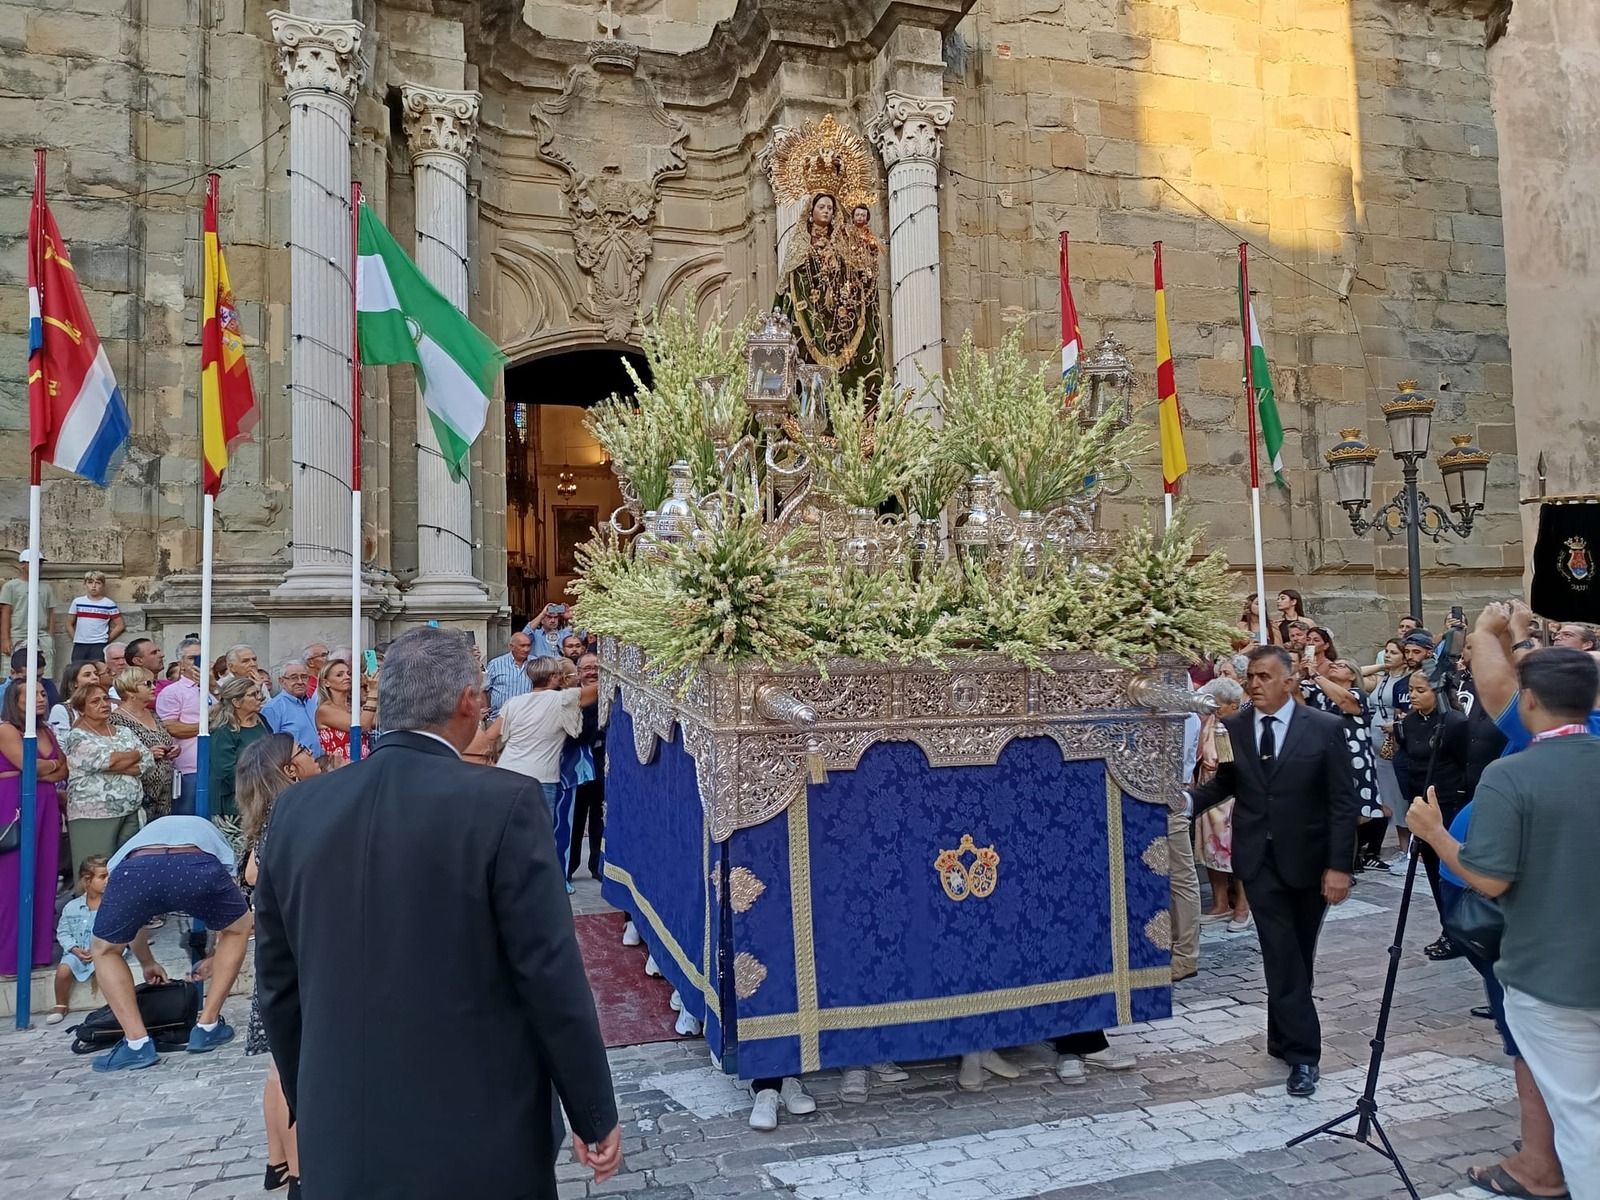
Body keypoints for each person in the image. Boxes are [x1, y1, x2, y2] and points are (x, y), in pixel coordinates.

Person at [253, 626, 622, 1197]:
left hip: (342, 1127)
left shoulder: (298, 810)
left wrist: (315, 1103)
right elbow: (548, 973)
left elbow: (278, 985)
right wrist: (593, 1112)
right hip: (478, 1128)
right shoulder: (504, 802)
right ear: (469, 702)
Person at [1408, 647, 1600, 1200]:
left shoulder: (1511, 775)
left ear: (1531, 700)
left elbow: (1488, 878)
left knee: (1581, 1119)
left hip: (1549, 975)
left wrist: (1434, 832)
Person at [1186, 645, 1358, 1097]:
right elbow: (1229, 780)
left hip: (1310, 861)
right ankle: (1304, 1055)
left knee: (1299, 953)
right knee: (1281, 953)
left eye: (1264, 677)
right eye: (1251, 678)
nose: (1255, 685)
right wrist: (1185, 804)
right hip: (1257, 864)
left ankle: (1281, 1035)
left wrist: (1340, 866)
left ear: (1289, 680)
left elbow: (1343, 803)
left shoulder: (1324, 728)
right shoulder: (1237, 727)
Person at [86, 813, 252, 1070]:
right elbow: (226, 920)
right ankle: (207, 1026)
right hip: (195, 863)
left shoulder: (134, 844)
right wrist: (215, 956)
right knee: (239, 928)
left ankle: (136, 1044)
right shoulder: (211, 835)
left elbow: (133, 923)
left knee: (105, 949)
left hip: (135, 870)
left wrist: (147, 962)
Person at [236, 734, 316, 1196]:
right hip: (294, 961)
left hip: (276, 960)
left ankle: (279, 1159)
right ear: (287, 770)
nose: (309, 757)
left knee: (277, 1066)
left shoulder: (265, 825)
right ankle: (301, 1168)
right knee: (295, 1068)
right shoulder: (287, 827)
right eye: (301, 752)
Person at [1397, 670, 1472, 961]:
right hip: (1421, 804)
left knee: (1450, 870)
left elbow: (1463, 762)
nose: (1413, 695)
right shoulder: (1410, 723)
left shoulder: (1454, 723)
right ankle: (1447, 928)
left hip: (1448, 804)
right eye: (1411, 690)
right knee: (1431, 869)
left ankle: (1459, 931)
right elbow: (1408, 761)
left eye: (1420, 690)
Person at [0, 680, 68, 974]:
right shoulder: (6, 729)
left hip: (47, 805)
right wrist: (47, 768)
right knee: (13, 880)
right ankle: (9, 957)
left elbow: (63, 768)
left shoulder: (47, 731)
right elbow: (27, 764)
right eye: (32, 695)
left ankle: (37, 951)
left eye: (42, 693)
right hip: (14, 803)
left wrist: (47, 769)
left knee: (44, 874)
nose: (41, 698)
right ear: (15, 701)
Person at [1299, 656, 1385, 859]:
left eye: (1342, 665)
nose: (1335, 666)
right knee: (1327, 815)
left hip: (1352, 762)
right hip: (1323, 759)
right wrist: (1299, 674)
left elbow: (1345, 701)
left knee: (1351, 816)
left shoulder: (1358, 694)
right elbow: (1297, 700)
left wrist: (1316, 675)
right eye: (1334, 664)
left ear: (1353, 675)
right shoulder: (1318, 693)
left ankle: (1347, 864)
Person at [61, 682, 152, 872]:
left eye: (106, 699)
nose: (104, 704)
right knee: (97, 871)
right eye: (95, 701)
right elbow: (105, 761)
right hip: (95, 814)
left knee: (127, 869)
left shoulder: (124, 731)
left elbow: (147, 759)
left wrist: (119, 763)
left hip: (131, 810)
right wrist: (132, 755)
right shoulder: (77, 736)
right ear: (81, 709)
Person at [1195, 676, 1249, 930]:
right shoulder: (1208, 722)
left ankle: (1243, 905)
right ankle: (1220, 903)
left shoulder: (1238, 725)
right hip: (1208, 791)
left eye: (1217, 704)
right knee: (1211, 850)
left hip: (1229, 794)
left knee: (1234, 851)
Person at [50, 855, 122, 1024]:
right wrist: (74, 949)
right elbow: (63, 932)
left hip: (106, 949)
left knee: (109, 970)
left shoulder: (113, 904)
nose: (107, 880)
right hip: (78, 951)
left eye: (109, 876)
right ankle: (61, 1004)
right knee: (63, 970)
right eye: (103, 877)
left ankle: (116, 1005)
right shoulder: (71, 907)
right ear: (86, 880)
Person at [1363, 638, 1414, 871]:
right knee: (1383, 797)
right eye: (1386, 652)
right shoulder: (1382, 679)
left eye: (1394, 652)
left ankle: (1407, 850)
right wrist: (1383, 666)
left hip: (1391, 742)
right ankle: (1380, 847)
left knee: (1397, 797)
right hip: (1373, 741)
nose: (1388, 655)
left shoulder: (1407, 682)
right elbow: (1357, 675)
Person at [108, 666, 178, 820]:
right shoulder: (115, 720)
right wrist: (148, 753)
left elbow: (164, 739)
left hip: (164, 792)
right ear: (130, 690)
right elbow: (115, 756)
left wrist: (173, 749)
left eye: (153, 683)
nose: (153, 687)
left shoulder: (153, 714)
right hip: (139, 793)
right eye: (147, 684)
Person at [155, 638, 204, 813]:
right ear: (180, 663)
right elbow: (171, 728)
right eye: (192, 658)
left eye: (202, 657)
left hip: (214, 769)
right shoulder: (172, 692)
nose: (198, 662)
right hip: (187, 770)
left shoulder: (213, 691)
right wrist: (208, 726)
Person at [210, 676, 270, 819]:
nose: (259, 698)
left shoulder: (261, 721)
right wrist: (256, 785)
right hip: (234, 804)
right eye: (253, 695)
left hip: (263, 797)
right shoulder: (224, 730)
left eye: (258, 692)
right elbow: (225, 771)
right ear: (236, 702)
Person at [569, 653, 606, 881]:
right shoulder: (571, 698)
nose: (592, 671)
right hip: (577, 767)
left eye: (596, 667)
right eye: (587, 668)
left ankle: (598, 866)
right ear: (579, 672)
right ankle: (569, 866)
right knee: (576, 819)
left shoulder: (610, 696)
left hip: (603, 766)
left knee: (600, 820)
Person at [0, 549, 58, 676]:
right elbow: (5, 613)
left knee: (44, 673)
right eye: (33, 562)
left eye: (40, 563)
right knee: (13, 673)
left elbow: (51, 613)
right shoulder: (11, 586)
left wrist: (50, 637)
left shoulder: (46, 588)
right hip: (18, 634)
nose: (38, 566)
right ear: (23, 565)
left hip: (41, 636)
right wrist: (5, 639)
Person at [313, 658, 375, 766]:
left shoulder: (353, 707)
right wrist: (374, 693)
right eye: (339, 675)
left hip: (364, 766)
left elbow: (376, 721)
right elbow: (362, 726)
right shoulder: (325, 710)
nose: (347, 677)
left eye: (349, 673)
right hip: (341, 771)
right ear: (326, 682)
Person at [260, 660, 322, 762]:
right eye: (294, 678)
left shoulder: (313, 703)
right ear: (281, 681)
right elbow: (269, 747)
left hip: (321, 766)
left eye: (304, 677)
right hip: (296, 770)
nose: (300, 682)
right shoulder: (273, 708)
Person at [65, 572, 124, 663]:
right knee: (77, 669)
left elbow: (120, 625)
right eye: (90, 582)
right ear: (85, 584)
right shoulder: (78, 602)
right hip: (80, 645)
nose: (93, 586)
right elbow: (69, 623)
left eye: (98, 583)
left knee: (99, 669)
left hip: (99, 644)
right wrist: (75, 638)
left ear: (103, 585)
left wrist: (106, 640)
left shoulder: (108, 604)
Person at [485, 630, 534, 720]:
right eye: (522, 646)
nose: (526, 649)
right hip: (499, 719)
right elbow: (485, 689)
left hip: (527, 720)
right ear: (512, 647)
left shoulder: (535, 663)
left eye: (528, 645)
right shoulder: (496, 664)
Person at [50, 659, 107, 738]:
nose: (95, 677)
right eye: (87, 675)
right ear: (74, 683)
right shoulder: (61, 709)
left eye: (96, 674)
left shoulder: (107, 704)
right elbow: (62, 743)